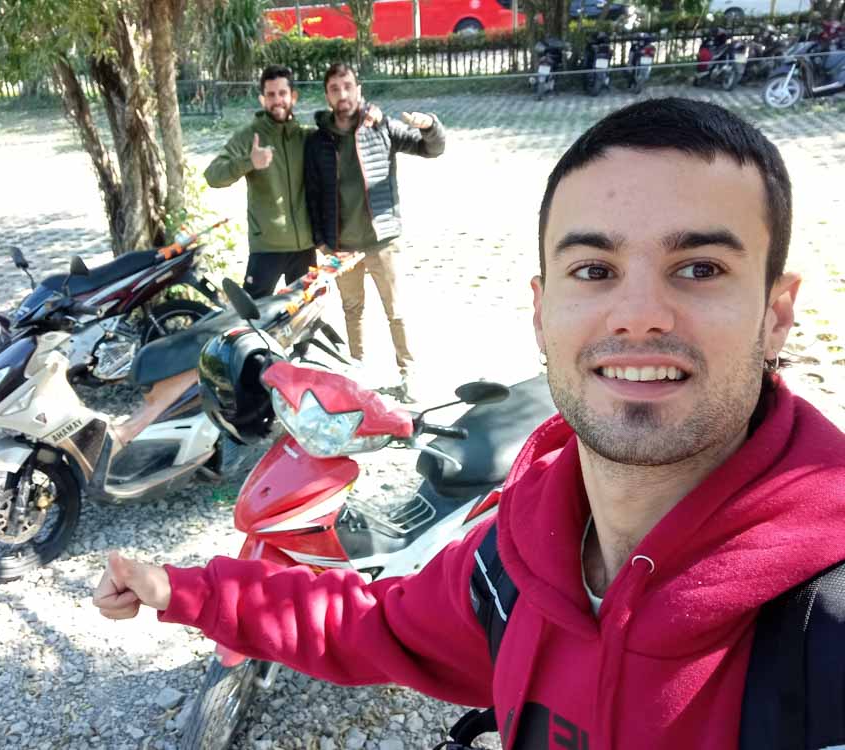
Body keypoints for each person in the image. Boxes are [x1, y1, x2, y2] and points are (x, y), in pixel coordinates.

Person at [92, 98, 845, 748]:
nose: (640, 315)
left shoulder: (828, 632)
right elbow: (372, 626)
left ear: (777, 313)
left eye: (701, 268)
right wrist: (185, 591)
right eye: (593, 270)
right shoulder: (517, 559)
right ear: (541, 312)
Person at [304, 62, 445, 403]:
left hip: (382, 240)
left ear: (359, 89)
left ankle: (408, 373)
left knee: (395, 310)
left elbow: (432, 148)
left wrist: (429, 125)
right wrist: (321, 242)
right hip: (342, 247)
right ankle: (358, 373)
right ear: (327, 96)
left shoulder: (381, 127)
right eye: (335, 89)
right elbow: (312, 193)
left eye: (348, 86)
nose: (343, 94)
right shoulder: (318, 140)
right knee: (352, 310)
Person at [204, 64, 315, 299]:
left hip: (305, 247)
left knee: (308, 313)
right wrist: (249, 162)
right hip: (266, 246)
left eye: (282, 93)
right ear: (262, 99)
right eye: (271, 95)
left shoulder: (305, 137)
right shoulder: (250, 137)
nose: (277, 100)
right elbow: (212, 176)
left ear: (293, 96)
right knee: (253, 315)